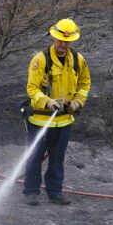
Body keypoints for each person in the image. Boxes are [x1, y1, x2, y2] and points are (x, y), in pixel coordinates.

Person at [23, 17, 91, 206]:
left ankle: (55, 192)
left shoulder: (78, 60)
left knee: (57, 159)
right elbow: (32, 89)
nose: (63, 44)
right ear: (54, 38)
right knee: (35, 157)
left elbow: (85, 84)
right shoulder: (41, 60)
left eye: (67, 41)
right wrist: (47, 101)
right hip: (40, 121)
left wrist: (77, 103)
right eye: (60, 40)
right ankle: (31, 191)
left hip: (64, 122)